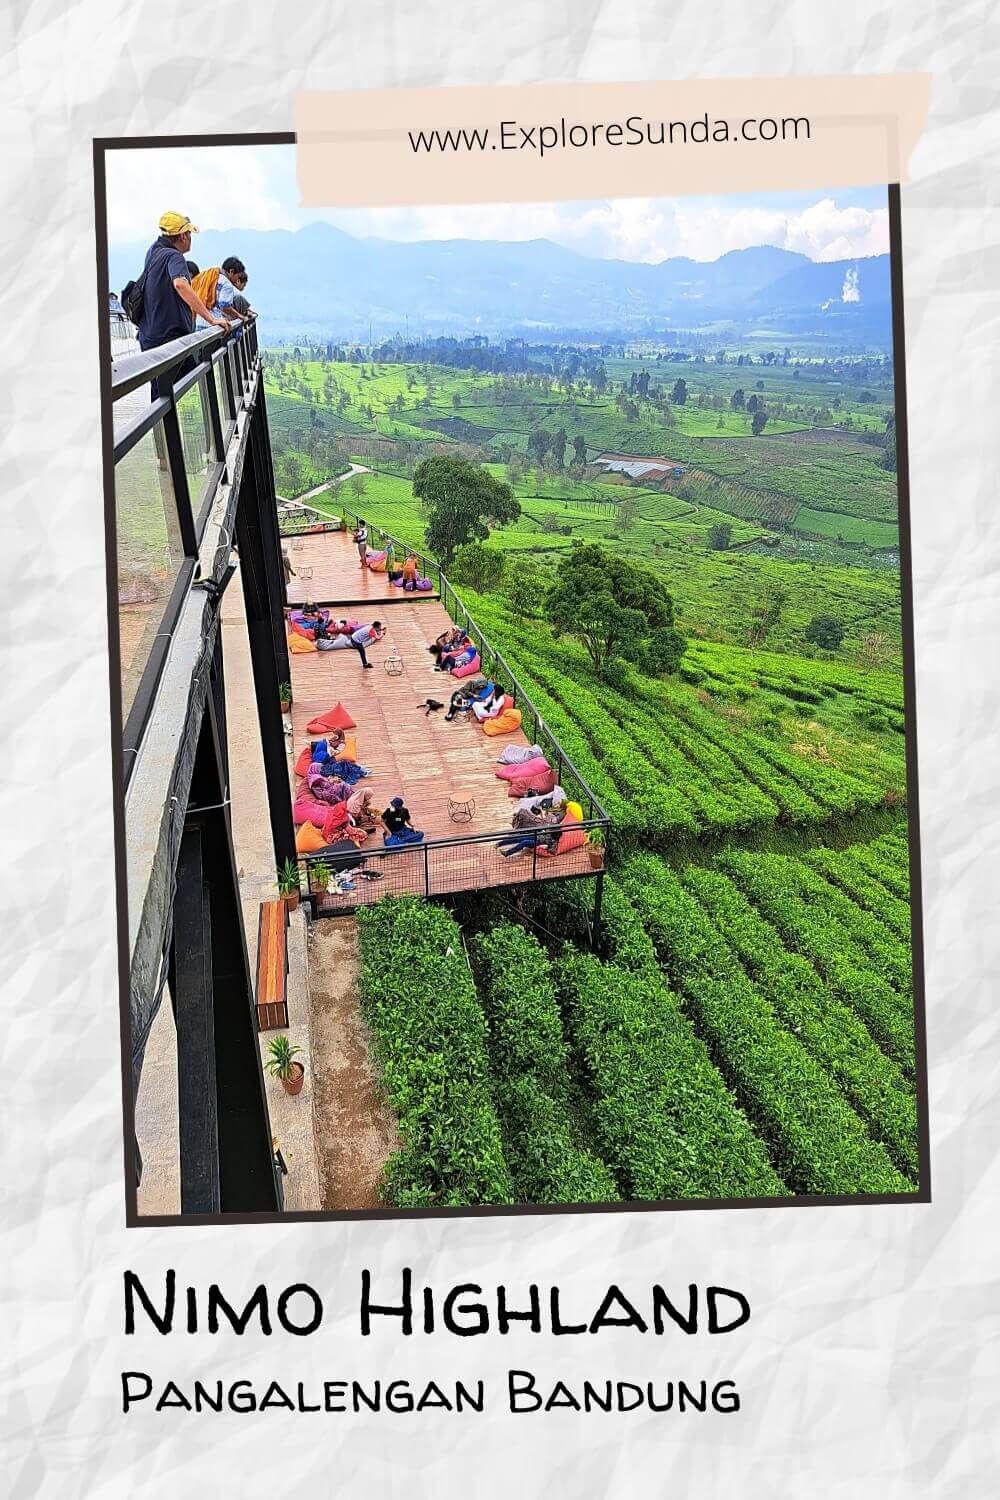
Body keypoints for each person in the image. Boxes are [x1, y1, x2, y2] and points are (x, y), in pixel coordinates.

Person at [133, 212, 229, 395]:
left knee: (163, 389)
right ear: (184, 235)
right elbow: (180, 284)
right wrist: (211, 319)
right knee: (191, 373)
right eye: (190, 234)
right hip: (168, 337)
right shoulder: (174, 256)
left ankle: (163, 422)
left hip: (150, 335)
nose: (191, 239)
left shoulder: (154, 252)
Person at [192, 257, 250, 327]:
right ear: (231, 271)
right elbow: (225, 307)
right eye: (238, 276)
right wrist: (240, 316)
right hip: (215, 325)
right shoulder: (226, 284)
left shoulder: (206, 276)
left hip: (200, 322)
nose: (237, 280)